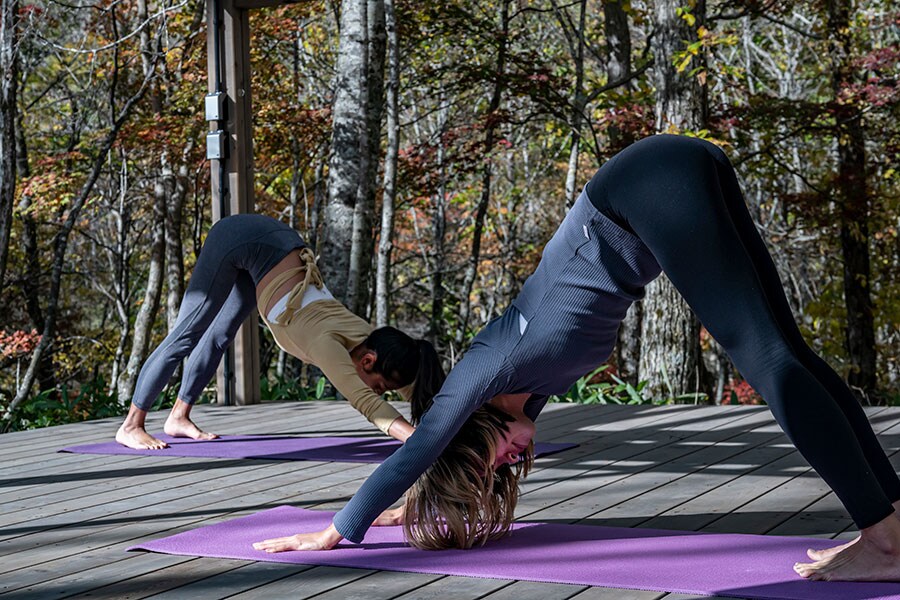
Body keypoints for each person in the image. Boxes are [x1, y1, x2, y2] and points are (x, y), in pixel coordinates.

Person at [252, 135, 900, 582]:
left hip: (643, 185)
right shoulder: (523, 393)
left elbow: (419, 447)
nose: (512, 464)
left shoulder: (486, 369)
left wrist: (340, 529)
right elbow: (430, 465)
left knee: (767, 360)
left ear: (465, 434)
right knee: (787, 353)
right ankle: (891, 519)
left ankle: (883, 537)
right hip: (665, 177)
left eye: (488, 463)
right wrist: (416, 504)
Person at [115, 214, 444, 450]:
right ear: (369, 362)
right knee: (188, 334)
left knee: (220, 334)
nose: (379, 392)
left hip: (273, 251)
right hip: (240, 238)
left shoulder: (373, 338)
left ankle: (178, 417)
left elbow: (410, 387)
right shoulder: (327, 344)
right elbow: (367, 404)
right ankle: (131, 425)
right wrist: (425, 444)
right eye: (381, 386)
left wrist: (454, 425)